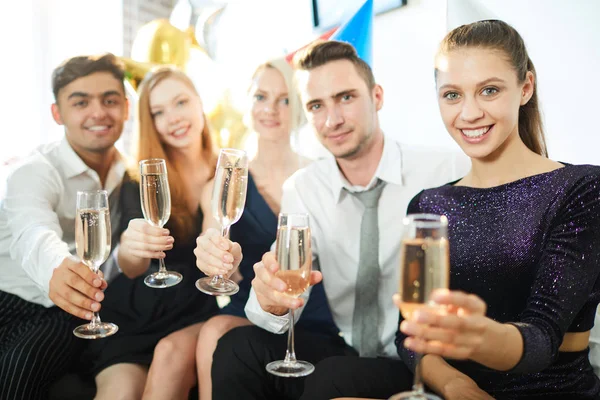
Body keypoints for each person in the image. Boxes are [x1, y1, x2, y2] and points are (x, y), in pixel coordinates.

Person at [326, 19, 600, 400]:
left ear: (525, 88)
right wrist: (456, 384)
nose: (469, 114)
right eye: (452, 95)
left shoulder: (582, 189)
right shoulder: (429, 204)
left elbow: (541, 340)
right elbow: (411, 335)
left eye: (488, 90)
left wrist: (476, 335)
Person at [196, 40, 471, 400]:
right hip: (348, 349)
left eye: (345, 98)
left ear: (377, 97)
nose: (332, 119)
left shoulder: (446, 170)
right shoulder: (305, 188)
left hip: (422, 359)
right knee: (237, 346)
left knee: (333, 377)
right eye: (316, 105)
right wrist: (270, 299)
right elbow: (277, 299)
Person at [194, 57, 339, 400]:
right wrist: (215, 255)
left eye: (284, 99)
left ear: (300, 107)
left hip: (314, 305)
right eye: (261, 96)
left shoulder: (321, 175)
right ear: (247, 102)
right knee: (213, 331)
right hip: (247, 302)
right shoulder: (225, 181)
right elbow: (213, 234)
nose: (271, 108)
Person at [0, 53, 128, 400]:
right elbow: (32, 231)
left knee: (20, 366)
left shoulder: (127, 172)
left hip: (63, 308)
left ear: (126, 108)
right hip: (12, 295)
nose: (98, 112)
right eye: (81, 102)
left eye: (110, 100)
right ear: (58, 114)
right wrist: (58, 267)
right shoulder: (35, 170)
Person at [87, 66, 220, 400]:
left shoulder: (228, 174)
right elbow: (133, 265)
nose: (173, 118)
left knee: (170, 359)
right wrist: (132, 246)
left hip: (193, 313)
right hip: (138, 315)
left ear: (200, 102)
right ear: (150, 124)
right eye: (158, 113)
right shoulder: (141, 180)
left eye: (180, 103)